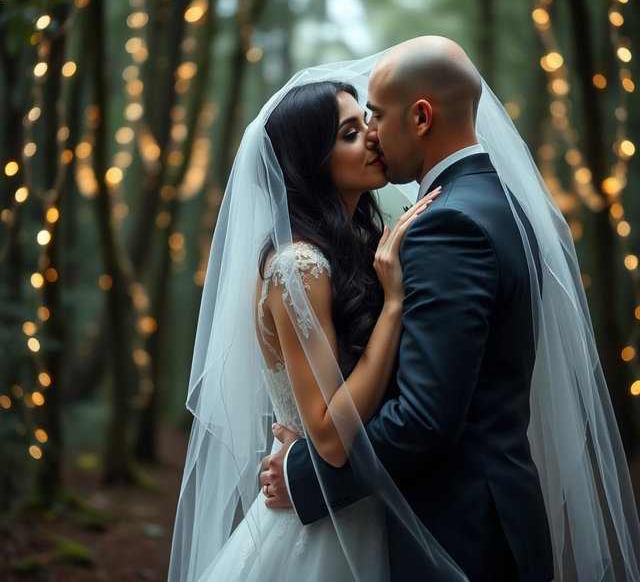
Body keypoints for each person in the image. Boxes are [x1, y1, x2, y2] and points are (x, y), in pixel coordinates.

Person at [260, 37, 640, 581]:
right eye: (353, 127)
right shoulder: (498, 201)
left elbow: (426, 415)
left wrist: (304, 475)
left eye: (376, 116)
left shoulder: (448, 223)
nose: (371, 132)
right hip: (479, 516)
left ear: (420, 117)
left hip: (458, 531)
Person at [167, 75, 461, 581]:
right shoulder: (298, 266)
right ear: (310, 162)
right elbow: (327, 435)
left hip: (360, 502)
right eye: (349, 133)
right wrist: (393, 305)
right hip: (321, 527)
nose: (371, 137)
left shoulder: (351, 251)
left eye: (365, 122)